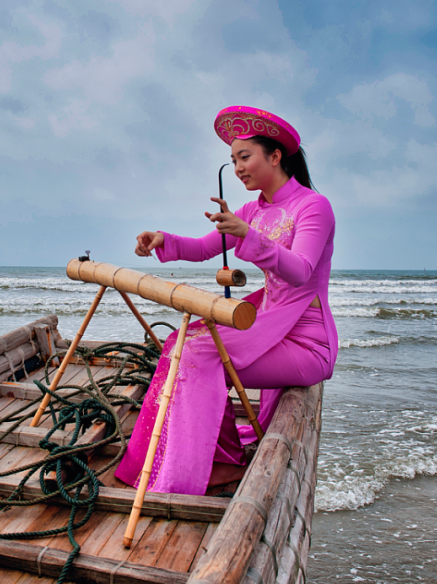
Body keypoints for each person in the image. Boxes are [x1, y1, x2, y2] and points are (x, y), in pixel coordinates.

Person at [114, 106, 338, 496]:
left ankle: (214, 466)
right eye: (233, 160)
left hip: (306, 341)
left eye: (244, 157)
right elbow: (204, 248)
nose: (237, 168)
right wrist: (163, 240)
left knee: (198, 355)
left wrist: (250, 237)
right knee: (180, 343)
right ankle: (209, 456)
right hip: (269, 328)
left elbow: (302, 270)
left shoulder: (313, 206)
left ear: (275, 156)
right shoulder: (251, 211)